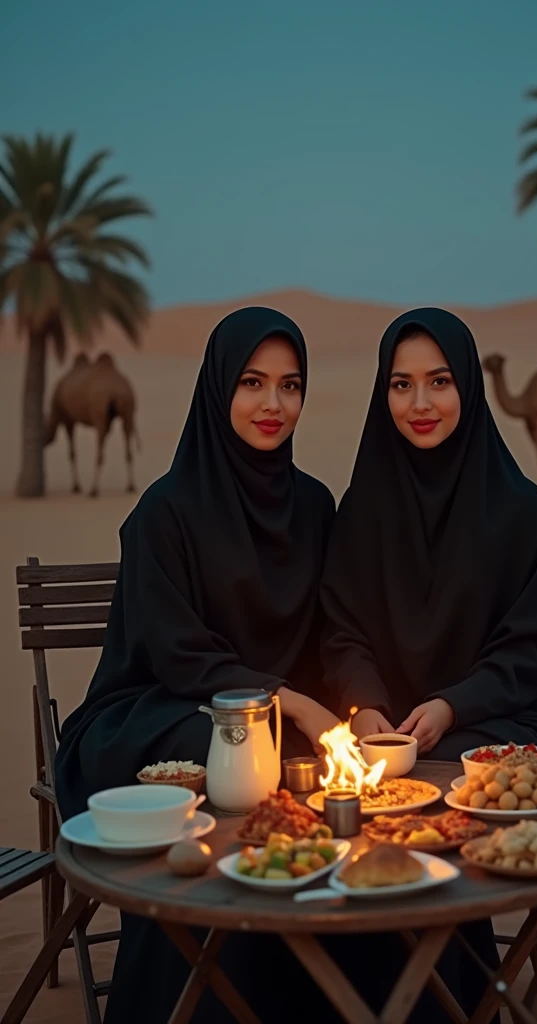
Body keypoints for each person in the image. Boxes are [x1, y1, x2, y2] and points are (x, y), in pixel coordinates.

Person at [55, 306, 341, 1022]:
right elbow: (176, 651)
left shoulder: (313, 508)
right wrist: (286, 700)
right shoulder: (165, 511)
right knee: (227, 750)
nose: (273, 405)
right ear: (218, 388)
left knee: (314, 774)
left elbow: (329, 639)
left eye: (290, 385)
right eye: (252, 382)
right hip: (155, 714)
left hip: (276, 730)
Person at [321, 307, 537, 783]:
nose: (420, 403)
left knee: (458, 760)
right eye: (402, 384)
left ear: (468, 386)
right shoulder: (363, 510)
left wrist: (452, 706)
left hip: (499, 717)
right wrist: (363, 705)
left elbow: (524, 649)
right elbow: (342, 631)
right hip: (388, 725)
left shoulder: (518, 509)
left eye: (440, 382)